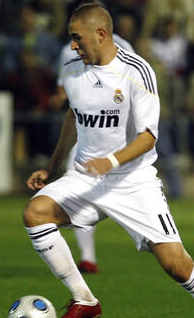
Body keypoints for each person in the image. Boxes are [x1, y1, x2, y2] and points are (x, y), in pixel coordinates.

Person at [23, 2, 194, 318]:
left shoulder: (137, 71)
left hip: (132, 181)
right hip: (86, 177)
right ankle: (84, 300)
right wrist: (52, 166)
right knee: (35, 213)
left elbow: (149, 136)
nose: (73, 46)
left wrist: (112, 161)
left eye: (77, 38)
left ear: (100, 34)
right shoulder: (73, 70)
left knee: (176, 265)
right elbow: (72, 118)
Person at [50, 32, 134, 274]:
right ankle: (87, 257)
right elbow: (64, 89)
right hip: (86, 133)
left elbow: (134, 87)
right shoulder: (69, 52)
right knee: (77, 189)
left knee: (130, 191)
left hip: (118, 134)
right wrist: (59, 97)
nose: (75, 44)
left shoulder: (124, 46)